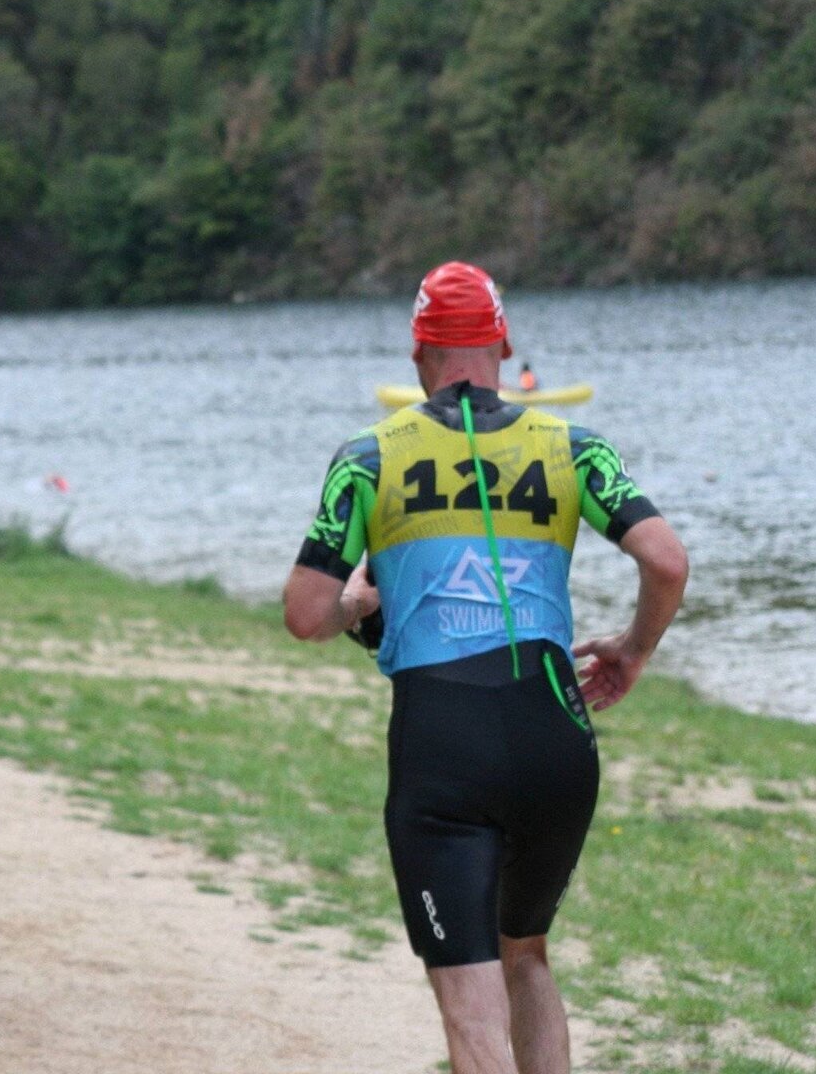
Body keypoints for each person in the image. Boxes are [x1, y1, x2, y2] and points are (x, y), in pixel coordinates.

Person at [282, 261, 688, 1074]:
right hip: (554, 733)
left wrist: (361, 604)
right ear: (502, 344)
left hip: (444, 740)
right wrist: (633, 649)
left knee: (471, 1009)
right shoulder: (575, 445)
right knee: (526, 954)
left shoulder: (367, 458)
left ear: (417, 352)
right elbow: (667, 562)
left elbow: (305, 616)